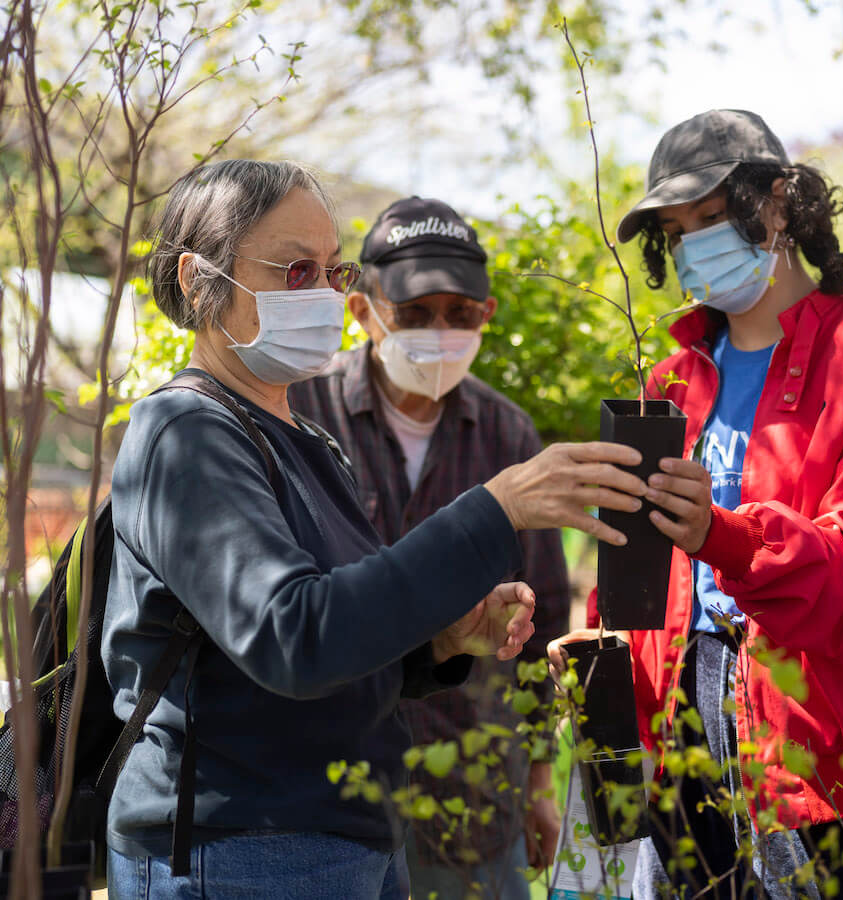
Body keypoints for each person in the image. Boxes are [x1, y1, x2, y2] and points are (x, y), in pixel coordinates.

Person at [103, 159, 650, 900]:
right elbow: (293, 635)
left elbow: (341, 632)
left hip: (348, 834)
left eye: (333, 271)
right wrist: (497, 508)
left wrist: (440, 643)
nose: (324, 296)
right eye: (296, 271)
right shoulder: (188, 433)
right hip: (241, 849)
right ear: (202, 282)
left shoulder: (298, 436)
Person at [551, 110, 843, 899]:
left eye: (709, 216)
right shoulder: (674, 380)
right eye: (676, 227)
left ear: (778, 205)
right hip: (679, 734)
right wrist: (601, 646)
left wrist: (724, 536)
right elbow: (639, 569)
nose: (694, 242)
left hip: (821, 743)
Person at [288, 196, 569, 899]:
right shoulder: (300, 415)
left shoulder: (509, 436)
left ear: (487, 314)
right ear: (362, 310)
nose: (440, 331)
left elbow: (546, 623)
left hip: (473, 797)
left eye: (460, 314)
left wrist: (539, 781)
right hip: (326, 798)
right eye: (415, 314)